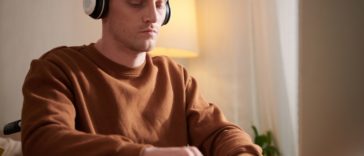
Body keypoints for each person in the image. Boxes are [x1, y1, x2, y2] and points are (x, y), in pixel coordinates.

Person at [21, 0, 262, 155]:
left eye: (159, 4)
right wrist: (144, 154)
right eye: (136, 2)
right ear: (99, 5)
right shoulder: (58, 68)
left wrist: (241, 153)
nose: (153, 17)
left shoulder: (175, 76)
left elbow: (220, 132)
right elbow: (43, 140)